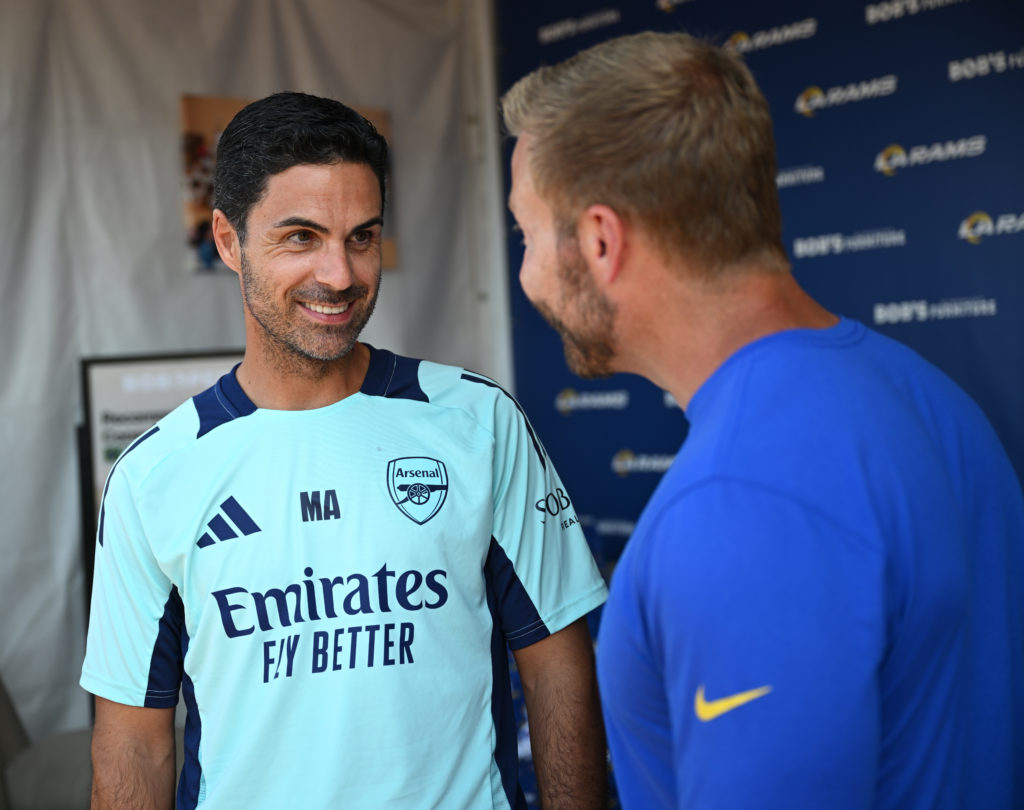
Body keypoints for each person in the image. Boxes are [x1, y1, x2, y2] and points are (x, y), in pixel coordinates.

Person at [502, 31, 1024, 809]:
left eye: (527, 234)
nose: (525, 273)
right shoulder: (923, 393)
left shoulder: (736, 503)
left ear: (602, 241)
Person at [81, 91, 609, 810]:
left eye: (362, 237)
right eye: (300, 237)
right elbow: (134, 741)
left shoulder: (479, 423)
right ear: (229, 241)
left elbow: (557, 668)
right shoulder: (153, 475)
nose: (340, 275)